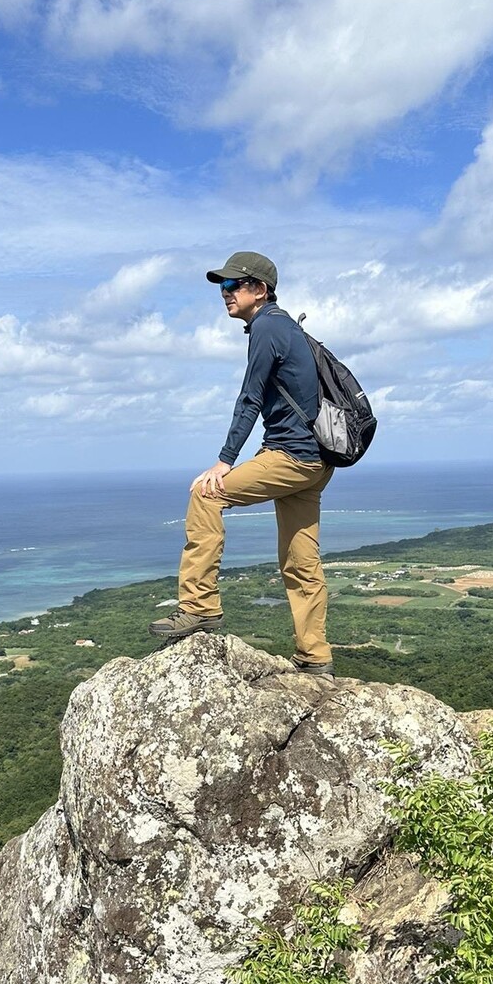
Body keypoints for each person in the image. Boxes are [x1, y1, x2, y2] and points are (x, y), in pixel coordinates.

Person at [150, 251, 335, 676]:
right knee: (301, 561)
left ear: (260, 289)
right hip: (315, 461)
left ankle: (199, 607)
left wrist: (224, 462)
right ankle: (314, 657)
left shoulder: (267, 327)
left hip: (290, 457)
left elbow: (249, 397)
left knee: (205, 495)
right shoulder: (286, 326)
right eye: (223, 287)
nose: (225, 294)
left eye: (233, 285)